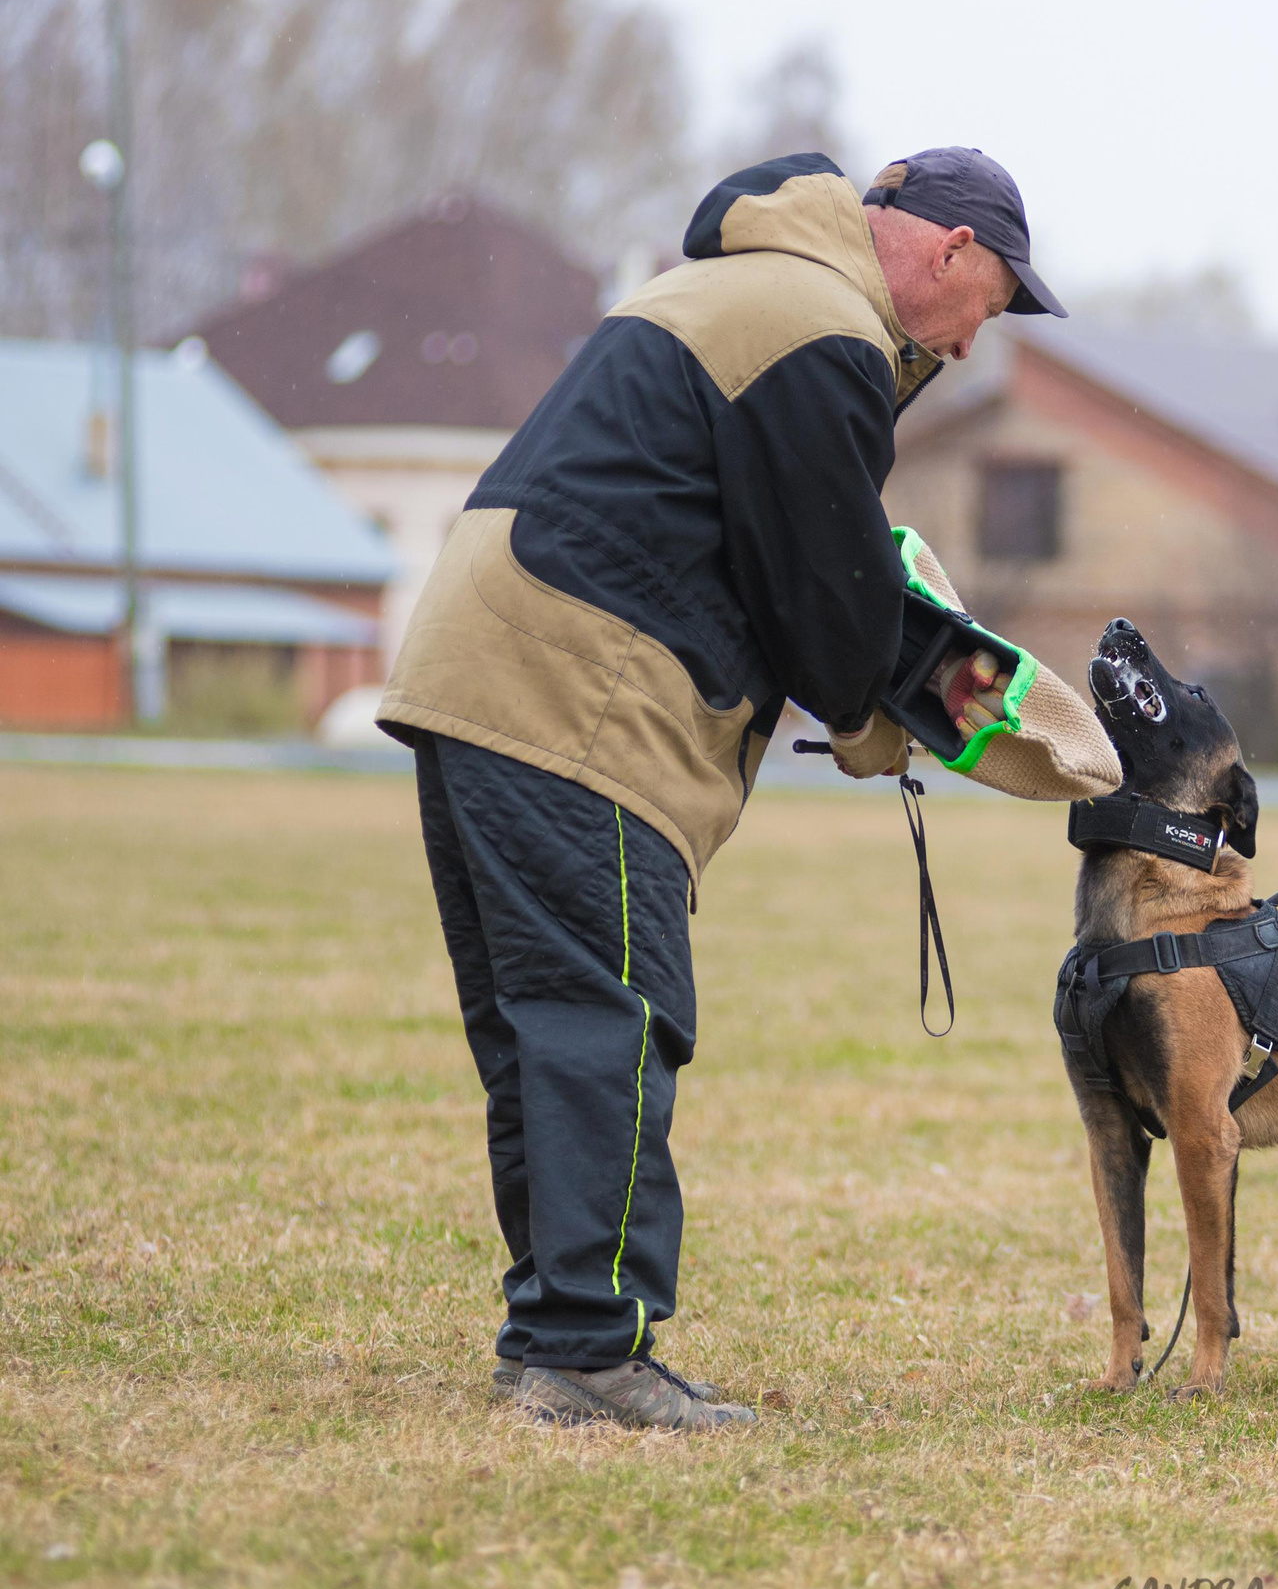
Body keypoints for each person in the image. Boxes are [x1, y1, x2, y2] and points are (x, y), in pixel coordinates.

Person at [375, 150, 1091, 1428]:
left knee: (545, 1030)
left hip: (478, 668)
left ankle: (552, 1337)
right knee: (611, 1021)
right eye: (987, 304)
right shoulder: (819, 329)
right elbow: (825, 595)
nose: (970, 344)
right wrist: (888, 703)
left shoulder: (741, 287)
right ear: (948, 251)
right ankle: (588, 1353)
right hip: (574, 694)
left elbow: (769, 543)